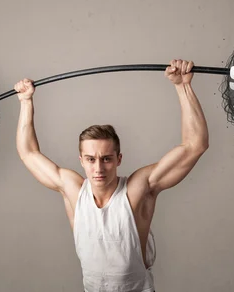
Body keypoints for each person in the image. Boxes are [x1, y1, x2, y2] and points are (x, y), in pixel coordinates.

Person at [15, 59, 209, 292]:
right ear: (81, 161)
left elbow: (195, 145)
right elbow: (28, 153)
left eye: (106, 159)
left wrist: (183, 86)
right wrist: (26, 101)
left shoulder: (138, 188)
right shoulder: (73, 190)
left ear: (118, 159)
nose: (98, 168)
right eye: (91, 159)